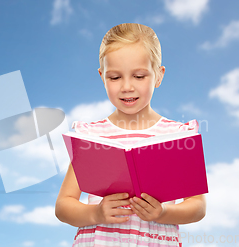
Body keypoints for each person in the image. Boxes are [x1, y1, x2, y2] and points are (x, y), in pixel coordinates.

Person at [55, 23, 207, 246]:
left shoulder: (177, 137)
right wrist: (95, 213)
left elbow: (198, 206)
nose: (126, 86)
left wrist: (163, 212)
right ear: (102, 76)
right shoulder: (91, 137)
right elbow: (63, 205)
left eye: (138, 76)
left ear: (158, 75)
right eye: (115, 78)